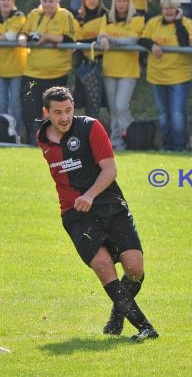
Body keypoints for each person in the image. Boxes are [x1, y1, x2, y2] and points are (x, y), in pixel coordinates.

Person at [37, 86, 158, 341]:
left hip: (108, 202)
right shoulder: (42, 138)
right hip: (75, 213)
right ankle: (145, 326)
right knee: (103, 265)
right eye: (57, 112)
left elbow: (110, 169)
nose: (64, 117)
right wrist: (79, 199)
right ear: (46, 112)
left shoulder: (91, 127)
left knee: (134, 269)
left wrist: (90, 195)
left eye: (68, 110)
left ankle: (118, 312)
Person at [137, 0, 192, 151]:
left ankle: (180, 146)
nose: (168, 11)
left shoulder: (187, 23)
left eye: (172, 8)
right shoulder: (153, 22)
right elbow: (142, 39)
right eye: (166, 8)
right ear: (161, 9)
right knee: (163, 114)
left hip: (179, 75)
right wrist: (152, 45)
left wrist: (178, 22)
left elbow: (185, 42)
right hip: (157, 75)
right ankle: (167, 145)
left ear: (178, 9)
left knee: (177, 113)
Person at [17, 0, 76, 145]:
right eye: (44, 1)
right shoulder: (34, 14)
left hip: (56, 74)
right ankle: (33, 142)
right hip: (32, 73)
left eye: (51, 1)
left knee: (56, 112)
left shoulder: (66, 15)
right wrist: (22, 38)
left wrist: (47, 37)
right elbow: (24, 32)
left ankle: (56, 142)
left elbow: (70, 39)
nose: (47, 4)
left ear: (58, 1)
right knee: (29, 111)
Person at [98, 0, 145, 150]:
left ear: (129, 3)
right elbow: (100, 37)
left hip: (128, 70)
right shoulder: (107, 17)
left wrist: (109, 39)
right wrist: (103, 38)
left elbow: (131, 41)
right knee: (113, 110)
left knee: (121, 106)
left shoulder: (137, 18)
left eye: (125, 1)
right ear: (114, 3)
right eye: (119, 1)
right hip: (109, 69)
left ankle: (133, 135)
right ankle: (116, 142)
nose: (121, 4)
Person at [73, 0, 108, 120]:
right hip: (84, 65)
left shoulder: (106, 15)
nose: (92, 0)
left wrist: (85, 43)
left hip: (103, 65)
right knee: (85, 103)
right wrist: (94, 41)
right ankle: (86, 131)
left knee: (102, 103)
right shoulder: (78, 16)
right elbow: (76, 39)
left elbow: (105, 37)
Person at [0, 0, 26, 141]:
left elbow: (11, 37)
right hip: (0, 69)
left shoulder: (19, 15)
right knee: (1, 104)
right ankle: (2, 135)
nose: (5, 2)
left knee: (15, 103)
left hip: (16, 68)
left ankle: (15, 136)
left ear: (13, 1)